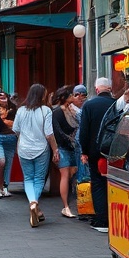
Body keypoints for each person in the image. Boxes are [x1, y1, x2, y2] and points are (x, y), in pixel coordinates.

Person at [13, 84, 59, 228]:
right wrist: (55, 150)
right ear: (42, 95)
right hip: (41, 149)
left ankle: (34, 205)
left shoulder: (20, 110)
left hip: (24, 149)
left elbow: (16, 130)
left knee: (28, 178)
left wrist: (22, 141)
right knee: (39, 179)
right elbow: (49, 134)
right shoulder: (46, 110)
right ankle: (34, 203)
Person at [79, 77, 116, 232]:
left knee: (98, 184)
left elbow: (84, 131)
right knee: (115, 183)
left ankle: (102, 219)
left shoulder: (89, 105)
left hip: (95, 151)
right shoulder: (116, 104)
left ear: (96, 89)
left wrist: (84, 151)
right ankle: (115, 218)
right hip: (116, 151)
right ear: (110, 88)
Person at [52, 86, 80, 218]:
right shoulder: (57, 111)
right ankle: (66, 206)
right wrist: (70, 141)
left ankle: (72, 204)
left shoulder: (72, 110)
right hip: (63, 147)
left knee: (72, 174)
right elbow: (57, 131)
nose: (74, 97)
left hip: (72, 146)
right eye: (71, 95)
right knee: (65, 174)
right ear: (65, 97)